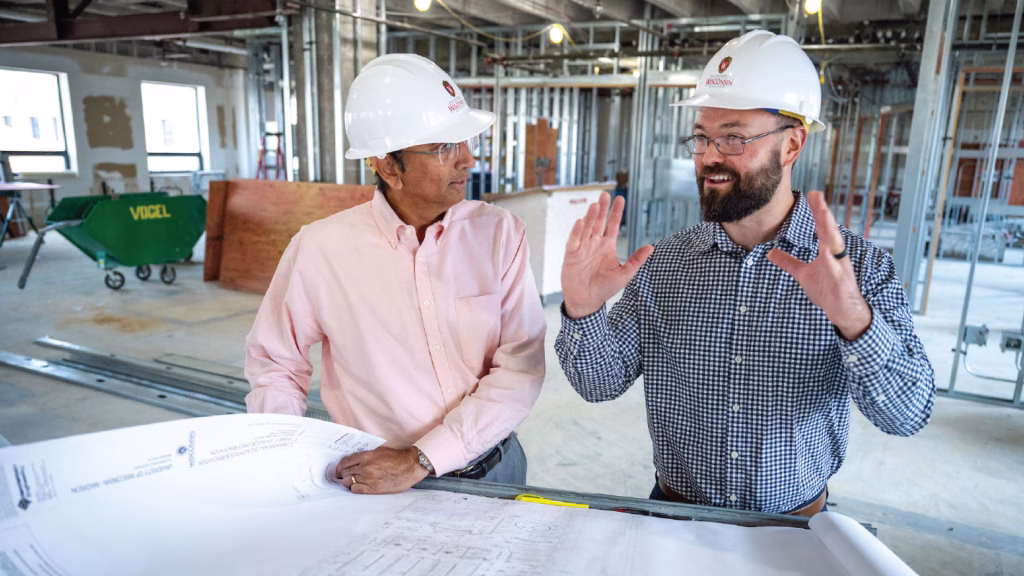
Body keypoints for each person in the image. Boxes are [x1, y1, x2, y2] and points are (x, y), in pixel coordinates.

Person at [554, 30, 935, 516]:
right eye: (702, 137)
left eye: (734, 137)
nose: (710, 156)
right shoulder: (665, 264)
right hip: (674, 517)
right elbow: (598, 384)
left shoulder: (859, 269)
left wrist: (856, 322)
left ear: (792, 144)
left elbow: (908, 415)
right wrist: (584, 310)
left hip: (794, 534)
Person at [245, 54, 546, 494]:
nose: (467, 159)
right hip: (383, 486)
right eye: (445, 146)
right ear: (387, 165)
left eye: (465, 139)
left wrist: (422, 458)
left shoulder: (499, 235)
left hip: (496, 468)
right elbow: (276, 363)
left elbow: (521, 368)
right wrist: (285, 462)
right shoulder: (321, 250)